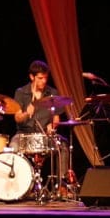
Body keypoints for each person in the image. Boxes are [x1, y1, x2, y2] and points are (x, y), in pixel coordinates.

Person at [11, 60, 70, 192]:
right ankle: (16, 187)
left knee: (63, 146)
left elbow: (56, 117)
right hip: (23, 134)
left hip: (44, 135)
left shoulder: (52, 93)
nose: (43, 81)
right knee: (12, 149)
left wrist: (52, 126)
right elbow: (17, 118)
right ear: (32, 77)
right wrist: (27, 113)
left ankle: (62, 185)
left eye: (45, 78)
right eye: (40, 78)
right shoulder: (21, 92)